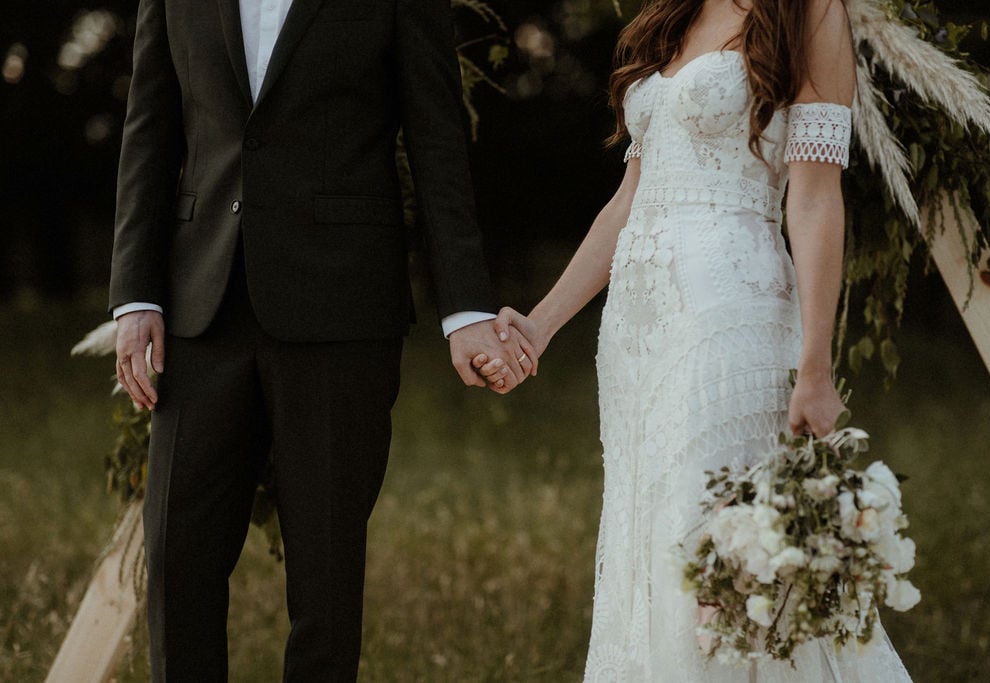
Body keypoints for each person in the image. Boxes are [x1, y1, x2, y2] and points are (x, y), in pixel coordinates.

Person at [483, 0, 913, 679]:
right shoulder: (673, 13)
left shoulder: (809, 13)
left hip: (729, 317)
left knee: (712, 548)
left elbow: (814, 197)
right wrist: (540, 323)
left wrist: (815, 364)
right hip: (636, 334)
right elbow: (630, 198)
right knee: (648, 544)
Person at [109, 0, 533, 679]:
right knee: (176, 558)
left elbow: (435, 135)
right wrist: (135, 293)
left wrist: (465, 308)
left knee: (326, 580)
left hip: (341, 307)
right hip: (200, 308)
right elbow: (149, 125)